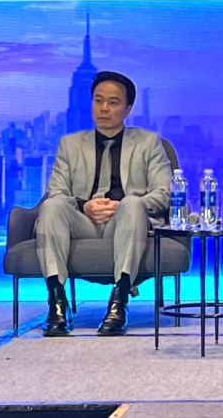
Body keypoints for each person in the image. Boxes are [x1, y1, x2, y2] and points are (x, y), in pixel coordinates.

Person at [36, 70, 171, 337]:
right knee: (51, 207)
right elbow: (56, 191)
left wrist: (125, 206)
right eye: (98, 101)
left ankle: (119, 302)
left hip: (126, 222)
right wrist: (84, 206)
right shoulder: (70, 144)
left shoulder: (148, 143)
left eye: (113, 102)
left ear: (127, 108)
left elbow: (164, 193)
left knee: (132, 204)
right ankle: (57, 303)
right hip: (83, 222)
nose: (104, 108)